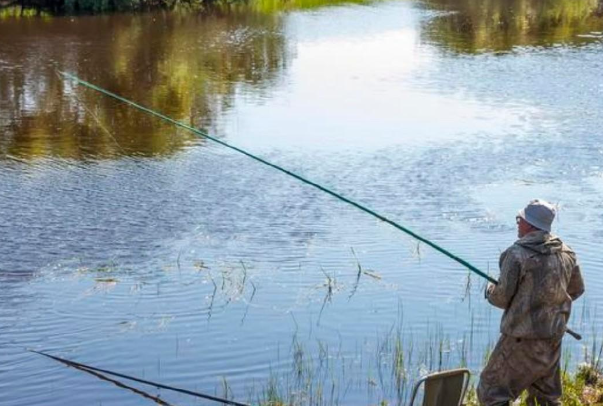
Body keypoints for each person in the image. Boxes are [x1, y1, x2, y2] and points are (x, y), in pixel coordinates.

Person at [477, 199, 585, 406]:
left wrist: (490, 291)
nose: (518, 222)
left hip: (521, 339)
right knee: (546, 398)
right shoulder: (567, 253)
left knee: (491, 392)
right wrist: (548, 305)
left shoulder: (516, 254)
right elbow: (576, 289)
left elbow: (501, 298)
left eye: (521, 219)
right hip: (552, 338)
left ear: (531, 225)